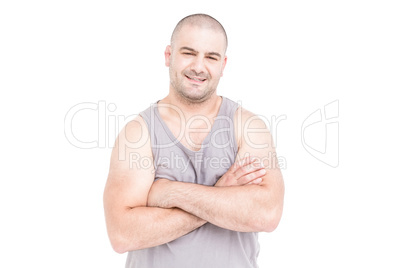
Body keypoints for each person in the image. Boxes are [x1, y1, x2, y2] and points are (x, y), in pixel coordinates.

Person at [103, 13, 285, 268]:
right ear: (169, 56)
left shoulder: (248, 127)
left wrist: (169, 192)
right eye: (188, 53)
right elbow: (122, 235)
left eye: (211, 57)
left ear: (223, 64)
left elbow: (266, 215)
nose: (199, 67)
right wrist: (221, 195)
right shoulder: (138, 133)